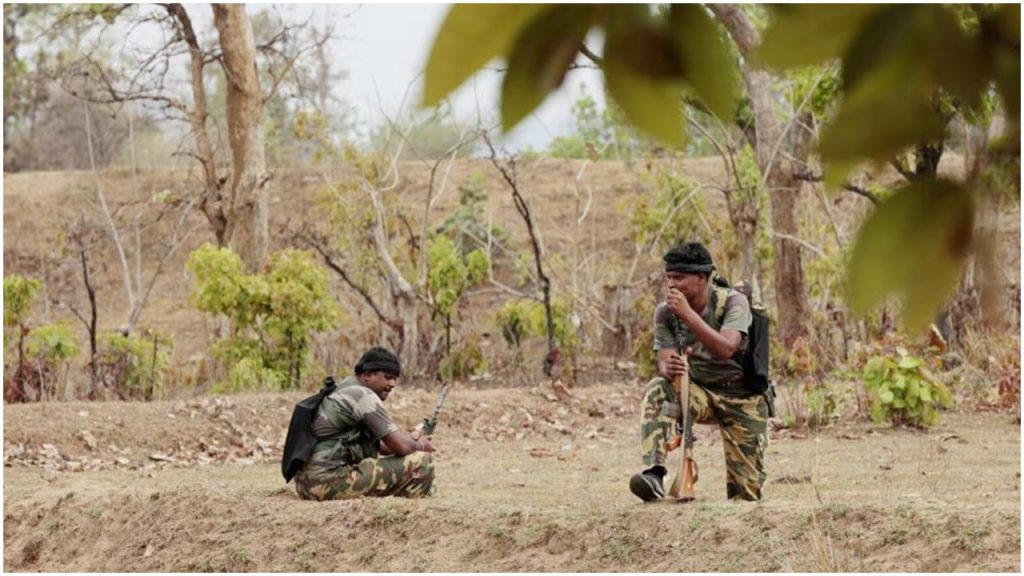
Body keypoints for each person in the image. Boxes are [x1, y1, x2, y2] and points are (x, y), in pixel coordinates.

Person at [630, 242, 768, 502]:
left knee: (746, 497)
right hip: (699, 393)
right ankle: (654, 473)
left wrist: (688, 315)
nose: (671, 285)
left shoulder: (733, 303)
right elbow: (664, 359)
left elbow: (727, 348)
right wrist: (669, 366)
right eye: (669, 277)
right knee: (658, 388)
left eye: (679, 278)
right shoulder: (665, 313)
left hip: (742, 397)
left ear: (702, 278)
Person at [294, 347, 436, 500]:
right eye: (387, 377)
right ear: (367, 374)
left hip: (306, 484)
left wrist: (411, 442)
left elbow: (379, 446)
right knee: (421, 461)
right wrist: (420, 445)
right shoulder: (363, 395)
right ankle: (416, 512)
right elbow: (399, 446)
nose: (393, 384)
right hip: (327, 483)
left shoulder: (345, 388)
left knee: (402, 457)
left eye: (395, 378)